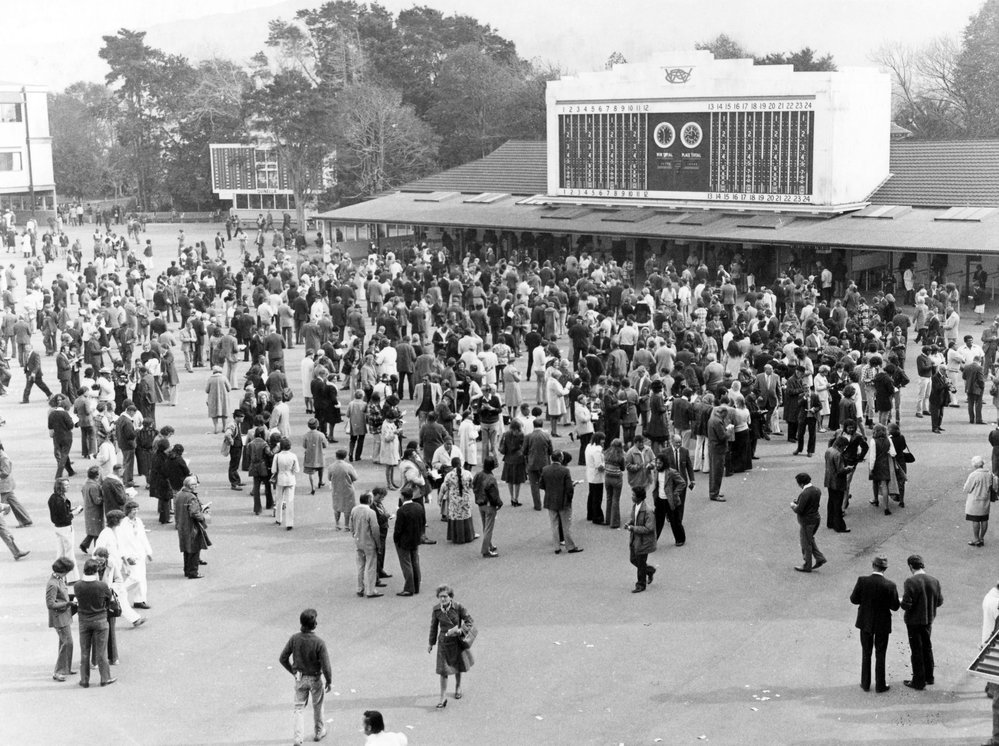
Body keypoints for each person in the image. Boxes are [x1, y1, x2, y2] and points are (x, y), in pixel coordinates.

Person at [278, 608, 331, 746]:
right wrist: (329, 680)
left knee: (298, 708)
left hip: (300, 678)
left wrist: (294, 672)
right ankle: (319, 731)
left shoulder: (295, 639)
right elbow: (325, 666)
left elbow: (283, 658)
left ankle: (298, 738)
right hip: (315, 678)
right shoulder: (319, 642)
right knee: (317, 705)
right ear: (313, 625)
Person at [850, 554, 901, 693]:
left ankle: (865, 683)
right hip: (882, 624)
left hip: (865, 622)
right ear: (885, 569)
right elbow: (895, 606)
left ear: (873, 565)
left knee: (866, 653)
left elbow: (854, 599)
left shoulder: (862, 581)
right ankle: (880, 685)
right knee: (881, 653)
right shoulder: (890, 585)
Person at [899, 554, 943, 690]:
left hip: (913, 622)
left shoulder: (910, 582)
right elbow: (939, 601)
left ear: (911, 566)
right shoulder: (934, 581)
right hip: (928, 619)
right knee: (927, 647)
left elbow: (906, 605)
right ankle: (929, 677)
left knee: (916, 650)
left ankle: (918, 681)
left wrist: (901, 601)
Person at [428, 583, 474, 708]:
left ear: (450, 597)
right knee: (443, 670)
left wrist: (461, 630)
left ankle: (458, 686)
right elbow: (433, 627)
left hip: (456, 640)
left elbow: (469, 621)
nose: (443, 599)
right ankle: (442, 698)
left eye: (445, 596)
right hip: (444, 641)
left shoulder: (458, 607)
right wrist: (431, 643)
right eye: (440, 597)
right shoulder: (437, 610)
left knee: (458, 665)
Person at [74, 557, 114, 688]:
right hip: (100, 620)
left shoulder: (78, 585)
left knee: (84, 652)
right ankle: (105, 678)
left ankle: (84, 680)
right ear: (96, 571)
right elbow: (109, 600)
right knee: (101, 652)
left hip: (84, 621)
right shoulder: (102, 586)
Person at [541, 450, 583, 555]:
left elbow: (541, 484)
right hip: (563, 501)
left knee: (554, 524)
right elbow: (569, 488)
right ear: (560, 458)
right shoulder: (565, 471)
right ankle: (570, 546)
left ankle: (556, 547)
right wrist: (570, 497)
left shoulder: (545, 469)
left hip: (550, 500)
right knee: (566, 525)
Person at [46, 557, 76, 682]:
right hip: (59, 617)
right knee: (67, 642)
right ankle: (58, 671)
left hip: (64, 615)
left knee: (64, 642)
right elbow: (50, 604)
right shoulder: (53, 584)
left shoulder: (58, 579)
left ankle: (66, 668)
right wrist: (68, 604)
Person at [118, 500, 152, 610]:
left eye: (137, 509)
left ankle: (139, 600)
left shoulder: (139, 521)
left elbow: (143, 537)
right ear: (128, 511)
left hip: (140, 553)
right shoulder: (123, 524)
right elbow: (121, 542)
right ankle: (116, 594)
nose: (136, 512)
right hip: (131, 555)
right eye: (133, 510)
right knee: (135, 578)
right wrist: (127, 557)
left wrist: (148, 552)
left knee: (142, 578)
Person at [174, 476, 210, 579]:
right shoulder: (191, 497)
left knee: (186, 549)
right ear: (190, 486)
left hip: (182, 525)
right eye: (195, 484)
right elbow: (195, 513)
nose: (196, 486)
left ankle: (187, 570)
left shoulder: (179, 495)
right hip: (191, 526)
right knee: (194, 549)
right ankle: (193, 572)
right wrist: (203, 516)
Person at [791, 472, 826, 573]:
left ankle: (807, 565)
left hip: (807, 521)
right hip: (815, 519)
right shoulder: (816, 490)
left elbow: (799, 510)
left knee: (806, 543)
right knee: (809, 539)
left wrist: (793, 505)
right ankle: (819, 558)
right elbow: (810, 504)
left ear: (801, 484)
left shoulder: (805, 493)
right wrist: (799, 502)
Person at [625, 485, 657, 593]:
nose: (632, 497)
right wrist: (630, 523)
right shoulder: (636, 506)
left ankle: (641, 584)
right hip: (635, 539)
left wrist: (633, 528)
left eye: (633, 495)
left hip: (644, 541)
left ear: (639, 497)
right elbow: (634, 519)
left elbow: (649, 528)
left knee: (640, 561)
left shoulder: (648, 511)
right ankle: (649, 570)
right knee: (633, 559)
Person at [350, 491, 382, 598]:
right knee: (371, 566)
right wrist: (378, 544)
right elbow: (375, 529)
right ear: (369, 500)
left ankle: (360, 588)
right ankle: (371, 590)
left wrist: (354, 535)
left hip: (358, 542)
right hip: (369, 542)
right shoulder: (370, 512)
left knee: (360, 566)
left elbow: (351, 526)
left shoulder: (354, 510)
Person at [394, 489, 423, 596]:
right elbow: (422, 522)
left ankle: (409, 588)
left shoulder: (401, 510)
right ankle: (416, 585)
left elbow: (398, 529)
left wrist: (396, 539)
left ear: (402, 497)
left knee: (406, 563)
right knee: (415, 562)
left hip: (404, 540)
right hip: (415, 538)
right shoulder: (419, 507)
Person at [48, 477, 78, 580]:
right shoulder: (61, 500)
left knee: (60, 552)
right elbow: (65, 517)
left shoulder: (52, 498)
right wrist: (74, 513)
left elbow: (58, 514)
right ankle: (72, 577)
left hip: (58, 528)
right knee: (69, 552)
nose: (68, 487)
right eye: (66, 485)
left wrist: (69, 510)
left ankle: (58, 574)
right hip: (65, 527)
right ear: (60, 487)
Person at [472, 456, 502, 558]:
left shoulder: (478, 475)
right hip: (489, 505)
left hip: (480, 503)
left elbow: (474, 486)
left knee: (485, 526)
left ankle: (489, 545)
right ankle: (485, 550)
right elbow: (494, 495)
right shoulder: (491, 478)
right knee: (489, 528)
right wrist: (499, 503)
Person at [964, 455, 997, 547]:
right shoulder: (989, 474)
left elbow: (967, 488)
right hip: (985, 500)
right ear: (982, 464)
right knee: (984, 519)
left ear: (974, 465)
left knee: (975, 520)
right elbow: (995, 486)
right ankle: (982, 538)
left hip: (975, 501)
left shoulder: (974, 475)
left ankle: (976, 539)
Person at [442, 457, 476, 544]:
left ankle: (457, 537)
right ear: (461, 464)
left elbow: (444, 488)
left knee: (456, 516)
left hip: (454, 501)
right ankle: (468, 536)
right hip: (465, 499)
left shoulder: (449, 475)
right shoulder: (467, 473)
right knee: (466, 515)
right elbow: (472, 486)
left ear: (452, 465)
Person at [272, 438, 300, 530]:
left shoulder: (277, 456)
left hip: (280, 479)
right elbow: (297, 469)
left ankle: (278, 519)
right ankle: (289, 523)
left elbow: (274, 470)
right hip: (290, 479)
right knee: (290, 501)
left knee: (279, 500)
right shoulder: (293, 456)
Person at [0, 440, 30, 526]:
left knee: (2, 506)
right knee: (14, 503)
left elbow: (5, 472)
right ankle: (25, 519)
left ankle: (2, 525)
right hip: (5, 485)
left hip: (4, 485)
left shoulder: (3, 457)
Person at [328, 448, 358, 531]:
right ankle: (346, 526)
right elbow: (355, 477)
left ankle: (337, 524)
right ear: (345, 456)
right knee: (347, 508)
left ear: (336, 456)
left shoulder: (331, 466)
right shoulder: (348, 466)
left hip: (336, 489)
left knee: (337, 506)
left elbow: (329, 478)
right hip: (347, 489)